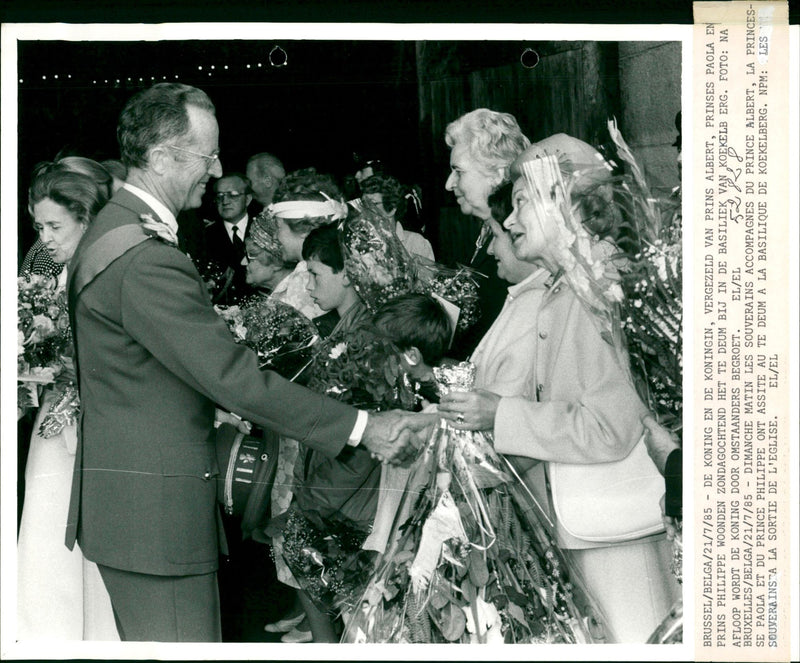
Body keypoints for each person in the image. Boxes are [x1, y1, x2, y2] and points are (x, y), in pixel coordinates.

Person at [65, 82, 428, 643]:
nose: (215, 170)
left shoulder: (116, 229)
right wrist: (362, 427)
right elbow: (231, 377)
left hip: (136, 503)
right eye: (206, 155)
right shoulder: (144, 258)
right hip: (155, 516)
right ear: (161, 158)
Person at [437, 133, 677, 642]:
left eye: (522, 202)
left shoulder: (601, 286)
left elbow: (608, 427)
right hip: (588, 522)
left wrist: (498, 414)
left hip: (613, 529)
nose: (508, 220)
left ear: (561, 201)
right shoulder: (569, 285)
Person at [17, 157, 119, 641]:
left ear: (86, 217)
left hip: (93, 422)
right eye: (38, 227)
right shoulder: (52, 274)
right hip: (53, 422)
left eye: (54, 226)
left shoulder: (104, 274)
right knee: (45, 523)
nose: (45, 239)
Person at [443, 108, 530, 359]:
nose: (449, 184)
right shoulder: (486, 232)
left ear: (498, 173)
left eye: (458, 171)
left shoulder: (520, 242)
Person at [203, 172, 256, 305]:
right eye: (220, 196)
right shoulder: (204, 236)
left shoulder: (265, 229)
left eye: (233, 195)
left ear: (248, 199)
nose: (225, 201)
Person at [360, 173, 434, 261]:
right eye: (363, 205)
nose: (364, 211)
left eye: (372, 204)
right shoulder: (362, 244)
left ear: (392, 208)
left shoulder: (416, 243)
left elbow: (428, 274)